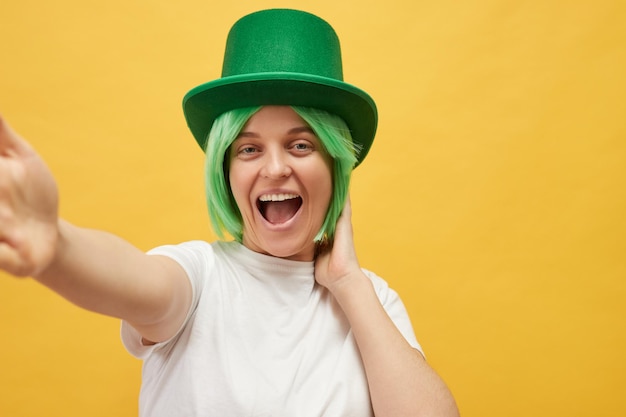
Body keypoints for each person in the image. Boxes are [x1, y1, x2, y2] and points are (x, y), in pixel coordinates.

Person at [0, 8, 459, 417]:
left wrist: (348, 283)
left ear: (335, 166)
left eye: (301, 145)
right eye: (249, 148)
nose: (275, 168)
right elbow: (136, 281)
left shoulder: (372, 301)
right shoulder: (198, 277)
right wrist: (57, 246)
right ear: (225, 170)